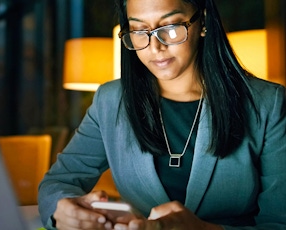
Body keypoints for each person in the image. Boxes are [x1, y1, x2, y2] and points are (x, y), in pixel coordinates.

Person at [38, 0, 286, 229]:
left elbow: (279, 222)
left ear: (204, 22)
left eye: (170, 26)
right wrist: (62, 210)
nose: (155, 46)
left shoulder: (267, 103)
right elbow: (58, 181)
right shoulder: (111, 100)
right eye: (138, 30)